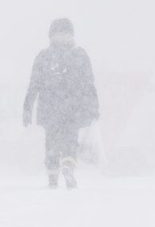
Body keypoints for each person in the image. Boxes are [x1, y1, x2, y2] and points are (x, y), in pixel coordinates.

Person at [22, 18, 99, 189]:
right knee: (70, 140)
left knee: (51, 142)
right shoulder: (79, 55)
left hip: (50, 108)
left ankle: (52, 175)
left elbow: (34, 84)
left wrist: (27, 107)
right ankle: (68, 166)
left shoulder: (44, 57)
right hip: (73, 108)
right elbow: (89, 83)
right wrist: (94, 107)